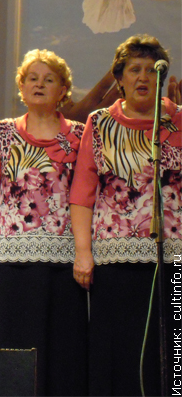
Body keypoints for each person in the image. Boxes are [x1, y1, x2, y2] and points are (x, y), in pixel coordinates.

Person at [71, 34, 181, 395]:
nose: (143, 77)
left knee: (172, 347)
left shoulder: (179, 120)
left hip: (173, 256)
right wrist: (83, 252)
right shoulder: (100, 123)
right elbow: (83, 193)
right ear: (119, 78)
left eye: (151, 70)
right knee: (117, 347)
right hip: (114, 257)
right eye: (134, 69)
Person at [0, 49, 88, 396]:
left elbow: (84, 198)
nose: (39, 84)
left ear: (63, 90)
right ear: (22, 87)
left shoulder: (79, 136)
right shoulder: (3, 132)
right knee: (11, 353)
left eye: (49, 79)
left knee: (62, 354)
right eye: (32, 79)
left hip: (63, 263)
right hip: (11, 262)